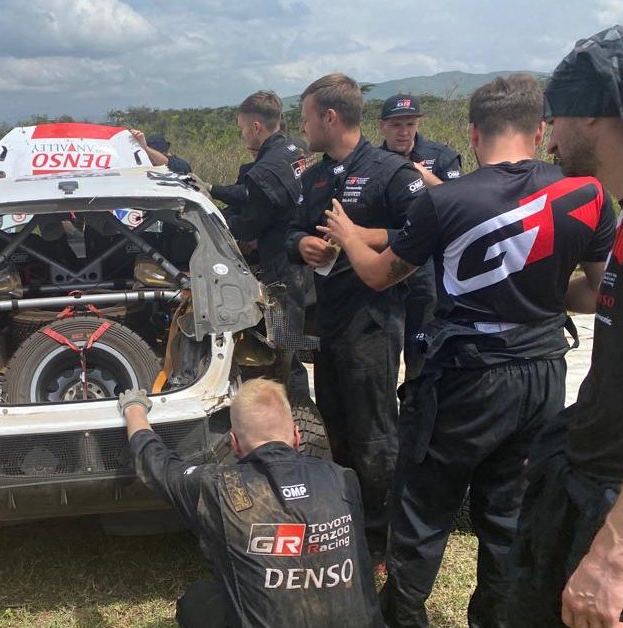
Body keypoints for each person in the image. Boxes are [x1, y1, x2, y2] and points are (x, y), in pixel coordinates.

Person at [319, 74, 615, 627]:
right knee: (507, 513)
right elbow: (599, 291)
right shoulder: (588, 194)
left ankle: (404, 618)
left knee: (423, 507)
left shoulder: (444, 200)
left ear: (474, 133)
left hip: (466, 376)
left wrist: (352, 236)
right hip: (543, 374)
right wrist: (540, 293)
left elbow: (380, 276)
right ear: (540, 130)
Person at [508, 25, 623, 627]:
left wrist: (616, 551)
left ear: (591, 114)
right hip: (588, 482)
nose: (550, 140)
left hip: (616, 513)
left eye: (555, 118)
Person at [286, 73, 427, 557]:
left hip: (373, 321)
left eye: (306, 117)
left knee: (374, 432)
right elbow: (292, 231)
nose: (302, 127)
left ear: (330, 117)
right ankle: (346, 521)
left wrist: (363, 236)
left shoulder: (392, 173)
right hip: (327, 319)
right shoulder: (313, 177)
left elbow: (424, 234)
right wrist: (301, 245)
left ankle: (381, 538)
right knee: (336, 425)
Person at [119, 379, 382, 627]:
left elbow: (158, 466)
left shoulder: (217, 488)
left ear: (234, 443)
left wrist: (134, 409)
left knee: (196, 601)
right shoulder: (342, 478)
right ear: (297, 435)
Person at [207, 90, 313, 405]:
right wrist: (213, 189)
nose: (242, 136)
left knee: (283, 345)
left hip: (282, 271)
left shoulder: (263, 171)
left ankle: (296, 410)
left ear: (256, 127)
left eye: (242, 129)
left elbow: (249, 225)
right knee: (293, 340)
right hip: (304, 259)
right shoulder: (297, 148)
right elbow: (253, 195)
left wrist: (219, 221)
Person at [378, 94, 464, 379]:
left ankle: (418, 399)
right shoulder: (373, 161)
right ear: (382, 126)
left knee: (421, 348)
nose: (403, 132)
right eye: (396, 125)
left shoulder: (440, 156)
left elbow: (462, 203)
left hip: (428, 268)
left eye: (410, 124)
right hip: (385, 262)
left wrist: (425, 178)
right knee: (383, 347)